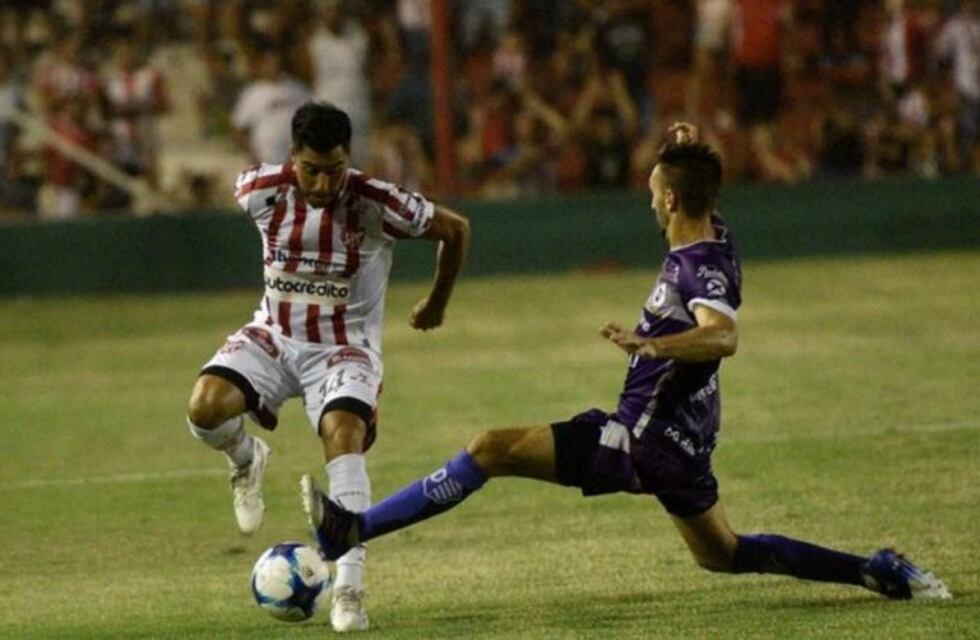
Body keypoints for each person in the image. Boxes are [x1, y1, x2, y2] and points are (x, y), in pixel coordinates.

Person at [301, 123, 951, 611]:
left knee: (489, 449)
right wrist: (685, 150)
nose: (648, 201)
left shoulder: (699, 266)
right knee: (724, 554)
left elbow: (721, 338)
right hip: (683, 444)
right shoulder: (715, 240)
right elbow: (702, 197)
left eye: (653, 192)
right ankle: (876, 570)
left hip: (640, 439)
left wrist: (655, 347)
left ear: (670, 203)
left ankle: (356, 527)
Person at [186, 101, 470, 632]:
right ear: (293, 158)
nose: (321, 184)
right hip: (274, 336)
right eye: (311, 170)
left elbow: (455, 229)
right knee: (204, 410)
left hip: (344, 350)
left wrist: (436, 303)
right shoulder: (259, 191)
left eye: (334, 170)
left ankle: (349, 589)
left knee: (344, 435)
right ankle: (246, 458)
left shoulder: (378, 203)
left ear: (349, 159)